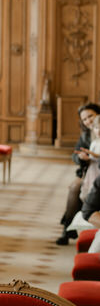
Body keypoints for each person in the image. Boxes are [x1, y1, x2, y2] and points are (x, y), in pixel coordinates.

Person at [58, 103, 100, 245]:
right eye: (84, 119)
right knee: (74, 188)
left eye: (90, 116)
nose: (88, 121)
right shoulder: (85, 135)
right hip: (86, 171)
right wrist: (81, 157)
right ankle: (67, 229)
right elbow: (74, 155)